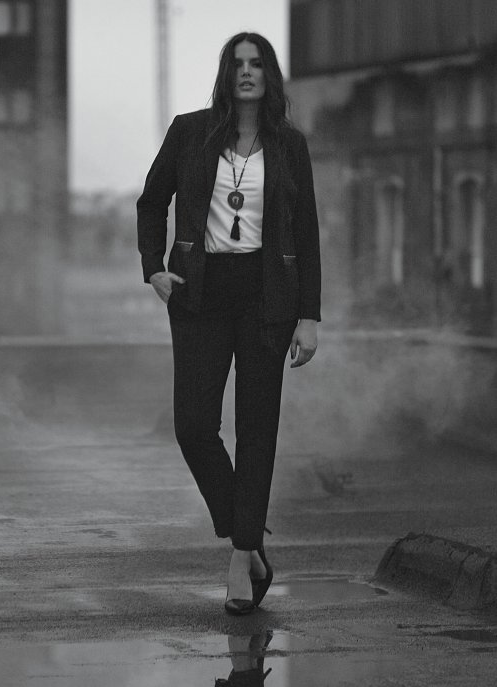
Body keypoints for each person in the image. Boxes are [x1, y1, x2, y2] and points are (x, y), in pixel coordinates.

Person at [137, 31, 321, 615]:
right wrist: (153, 268)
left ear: (269, 74)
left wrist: (309, 315)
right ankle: (248, 534)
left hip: (269, 297)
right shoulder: (190, 132)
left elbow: (306, 232)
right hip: (200, 292)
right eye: (238, 63)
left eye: (256, 63)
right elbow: (152, 201)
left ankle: (242, 557)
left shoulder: (289, 144)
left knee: (257, 429)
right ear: (226, 73)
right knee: (194, 426)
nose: (247, 72)